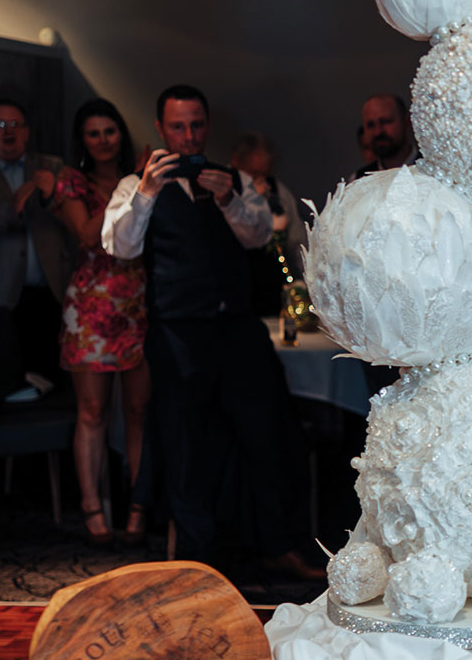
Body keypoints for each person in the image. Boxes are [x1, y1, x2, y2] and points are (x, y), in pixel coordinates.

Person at [102, 84, 322, 578]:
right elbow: (121, 247)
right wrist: (146, 193)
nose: (188, 136)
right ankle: (195, 564)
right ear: (160, 128)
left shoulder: (234, 179)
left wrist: (229, 200)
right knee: (185, 446)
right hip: (178, 332)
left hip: (237, 328)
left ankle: (279, 544)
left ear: (207, 125)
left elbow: (260, 235)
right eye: (178, 126)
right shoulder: (134, 185)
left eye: (196, 125)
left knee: (267, 434)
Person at [55, 98, 150, 546]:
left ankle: (139, 507)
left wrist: (139, 181)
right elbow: (88, 234)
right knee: (92, 411)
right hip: (92, 307)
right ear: (83, 139)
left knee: (138, 411)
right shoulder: (73, 181)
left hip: (137, 302)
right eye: (93, 133)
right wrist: (132, 186)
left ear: (120, 133)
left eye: (109, 131)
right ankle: (92, 508)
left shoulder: (142, 177)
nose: (102, 141)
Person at [0, 98, 73, 400]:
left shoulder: (51, 167)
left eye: (15, 124)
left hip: (52, 290)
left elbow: (73, 219)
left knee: (56, 385)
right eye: (1, 124)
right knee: (11, 390)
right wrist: (14, 206)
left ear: (27, 132)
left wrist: (51, 195)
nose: (8, 131)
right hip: (2, 297)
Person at [230, 132, 309, 315]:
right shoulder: (225, 189)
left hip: (272, 291)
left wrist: (307, 281)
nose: (261, 183)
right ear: (236, 162)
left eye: (264, 174)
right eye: (253, 174)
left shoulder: (279, 191)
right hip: (235, 290)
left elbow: (298, 241)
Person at [351, 94, 416, 179]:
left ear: (407, 121)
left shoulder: (430, 171)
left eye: (385, 122)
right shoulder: (359, 179)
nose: (378, 132)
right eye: (371, 125)